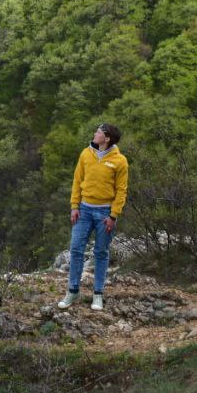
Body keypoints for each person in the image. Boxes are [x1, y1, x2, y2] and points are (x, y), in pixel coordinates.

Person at [58, 123, 128, 311]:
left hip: (105, 213)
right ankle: (72, 291)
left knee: (101, 253)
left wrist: (114, 215)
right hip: (84, 210)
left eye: (99, 132)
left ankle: (98, 295)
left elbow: (122, 190)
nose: (95, 134)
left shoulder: (120, 161)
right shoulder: (85, 154)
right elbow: (77, 180)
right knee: (76, 249)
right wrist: (74, 206)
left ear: (107, 139)